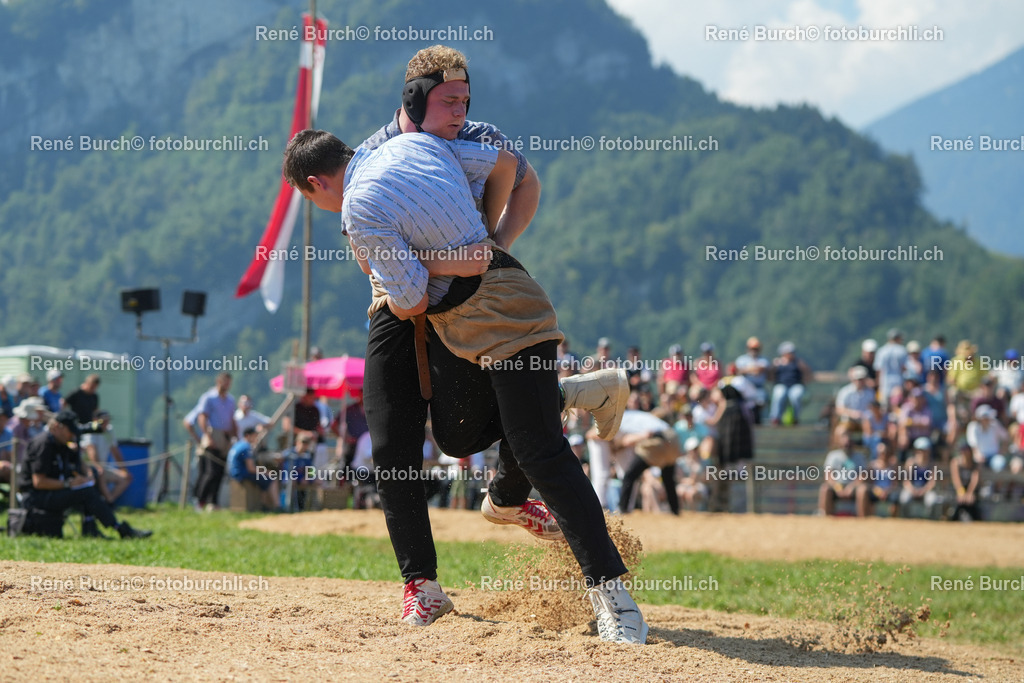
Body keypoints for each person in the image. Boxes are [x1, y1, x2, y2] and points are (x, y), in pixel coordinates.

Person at [284, 47, 636, 637]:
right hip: (401, 299)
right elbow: (389, 277)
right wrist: (452, 259)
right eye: (449, 101)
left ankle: (599, 576)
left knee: (493, 436)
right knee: (397, 440)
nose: (459, 112)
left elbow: (521, 177)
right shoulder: (382, 147)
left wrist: (491, 247)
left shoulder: (466, 137)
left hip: (470, 299)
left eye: (465, 100)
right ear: (414, 101)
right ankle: (421, 586)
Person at [18, 410, 150, 539]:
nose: (72, 435)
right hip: (36, 497)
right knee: (85, 493)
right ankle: (118, 528)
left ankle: (91, 527)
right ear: (58, 427)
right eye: (70, 431)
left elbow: (78, 462)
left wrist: (88, 473)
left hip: (51, 492)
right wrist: (69, 483)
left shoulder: (60, 442)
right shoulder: (43, 444)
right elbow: (39, 482)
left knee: (89, 484)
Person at [613, 409, 680, 516]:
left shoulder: (623, 420)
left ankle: (622, 508)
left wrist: (617, 446)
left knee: (630, 475)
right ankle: (675, 509)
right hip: (673, 439)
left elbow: (629, 440)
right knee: (668, 478)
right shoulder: (649, 418)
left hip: (658, 440)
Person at [193, 372, 237, 510]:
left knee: (220, 472)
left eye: (229, 382)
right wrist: (208, 436)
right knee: (210, 472)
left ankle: (213, 502)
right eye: (225, 382)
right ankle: (200, 501)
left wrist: (234, 436)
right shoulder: (209, 397)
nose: (227, 385)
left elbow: (232, 420)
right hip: (213, 434)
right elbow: (202, 417)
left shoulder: (230, 400)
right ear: (219, 381)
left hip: (225, 437)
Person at [81, 410, 132, 505]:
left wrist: (123, 469)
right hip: (88, 468)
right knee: (100, 474)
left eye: (107, 421)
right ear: (95, 420)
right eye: (103, 421)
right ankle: (108, 503)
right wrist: (97, 467)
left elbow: (115, 451)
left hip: (102, 468)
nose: (106, 423)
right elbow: (91, 450)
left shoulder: (109, 430)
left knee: (126, 478)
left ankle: (108, 502)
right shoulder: (90, 429)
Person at [227, 426, 279, 511]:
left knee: (264, 480)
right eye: (255, 435)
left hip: (234, 473)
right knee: (271, 478)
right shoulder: (246, 447)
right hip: (241, 474)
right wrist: (266, 472)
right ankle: (275, 506)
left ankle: (264, 505)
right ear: (248, 436)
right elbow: (251, 468)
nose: (256, 438)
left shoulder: (238, 444)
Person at [818, 429, 866, 515]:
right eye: (845, 444)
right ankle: (825, 516)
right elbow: (828, 476)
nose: (847, 445)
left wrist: (851, 487)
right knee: (825, 489)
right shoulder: (833, 455)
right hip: (837, 485)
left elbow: (862, 476)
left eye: (849, 442)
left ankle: (862, 518)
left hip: (853, 487)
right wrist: (837, 487)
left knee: (862, 490)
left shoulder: (859, 456)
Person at [769, 341, 811, 425]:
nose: (791, 354)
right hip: (781, 384)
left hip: (796, 385)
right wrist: (773, 366)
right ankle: (775, 418)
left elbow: (807, 373)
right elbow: (770, 376)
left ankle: (795, 418)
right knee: (779, 395)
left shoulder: (798, 362)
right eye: (789, 352)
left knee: (796, 396)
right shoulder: (777, 363)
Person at [734, 337, 769, 423]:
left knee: (761, 402)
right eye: (752, 348)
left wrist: (748, 369)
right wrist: (751, 369)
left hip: (759, 387)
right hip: (746, 388)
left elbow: (762, 369)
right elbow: (738, 371)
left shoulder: (763, 359)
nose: (754, 351)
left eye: (756, 349)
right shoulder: (741, 359)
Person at [874, 328, 908, 409]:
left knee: (885, 408)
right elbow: (904, 368)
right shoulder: (902, 350)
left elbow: (878, 369)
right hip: (898, 382)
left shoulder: (882, 351)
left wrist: (878, 384)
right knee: (898, 408)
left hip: (885, 383)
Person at [950, 442, 981, 521]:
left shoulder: (975, 464)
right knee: (958, 501)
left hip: (971, 489)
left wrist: (970, 493)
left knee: (972, 500)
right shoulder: (956, 462)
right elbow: (956, 479)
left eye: (966, 450)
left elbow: (974, 480)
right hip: (958, 489)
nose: (964, 452)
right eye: (963, 450)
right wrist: (961, 492)